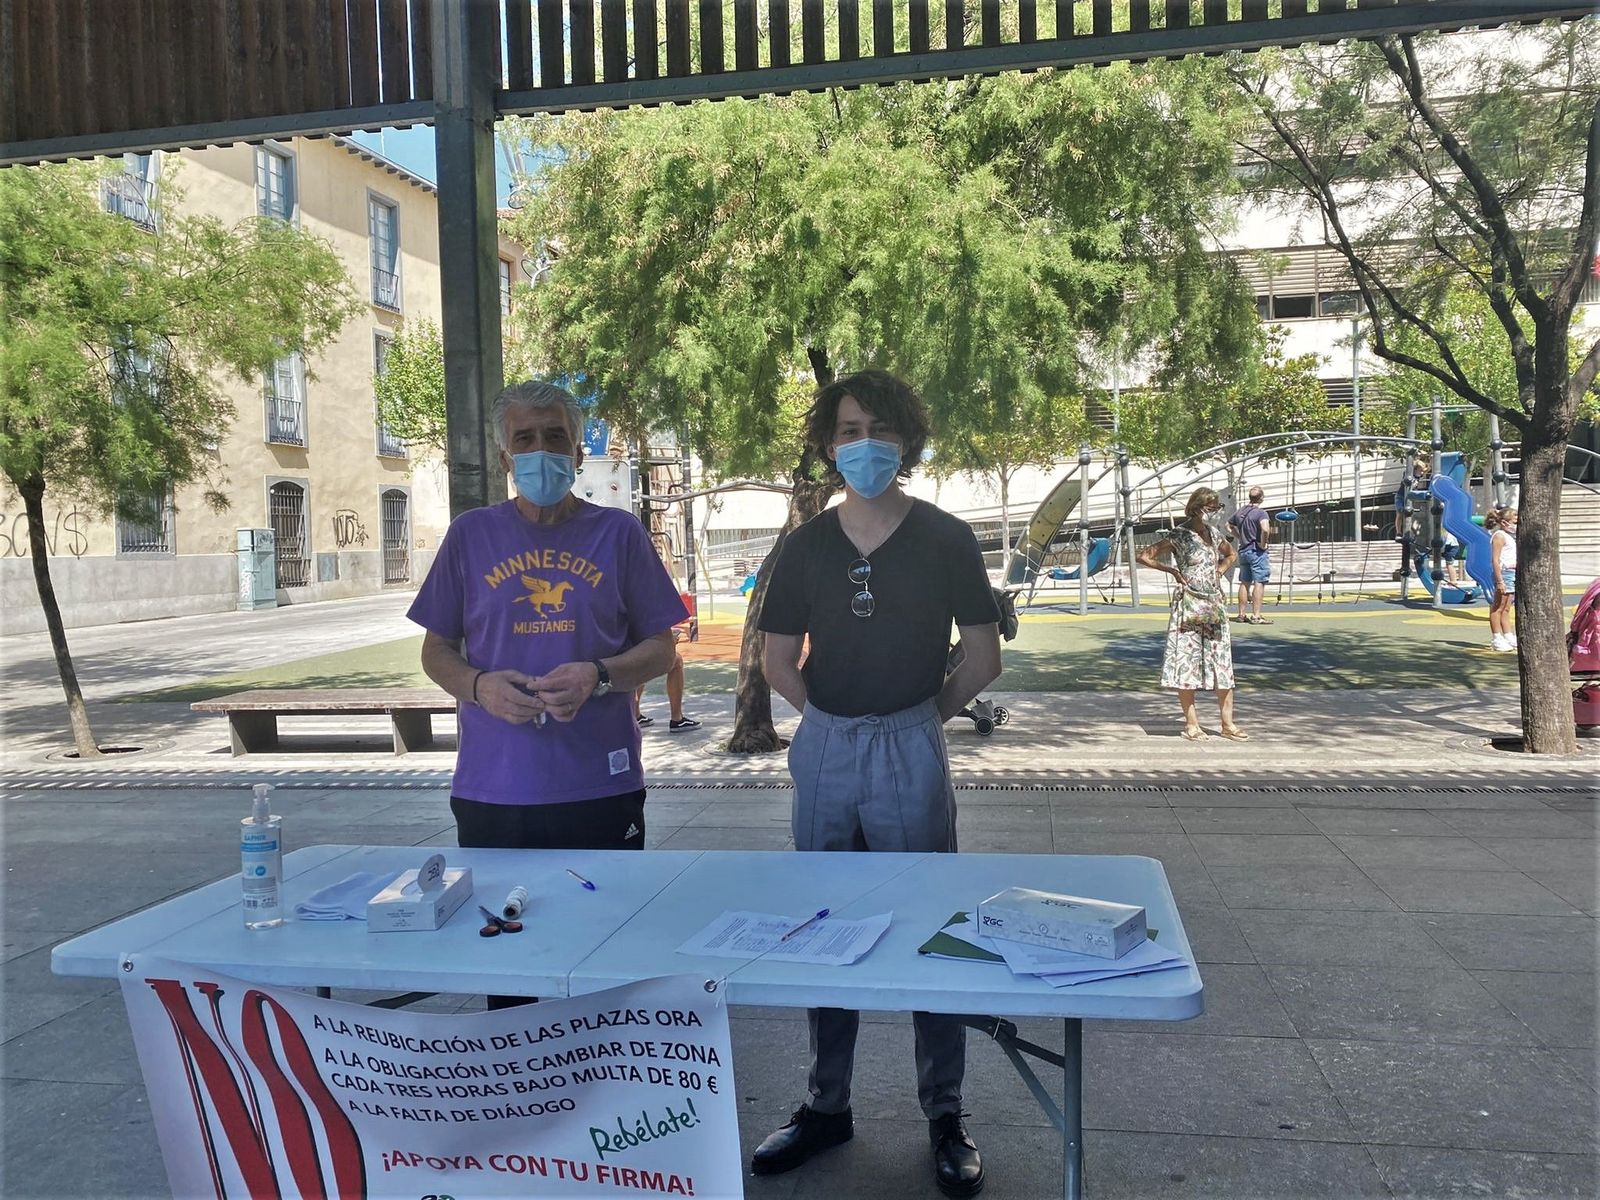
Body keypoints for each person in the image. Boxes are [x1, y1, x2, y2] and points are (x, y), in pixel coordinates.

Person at [753, 369, 1002, 1198]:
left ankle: (945, 1114)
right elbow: (777, 660)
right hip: (828, 746)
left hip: (909, 741)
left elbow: (983, 656)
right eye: (849, 430)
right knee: (825, 926)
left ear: (907, 441)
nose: (865, 445)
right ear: (830, 444)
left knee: (929, 927)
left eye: (880, 429)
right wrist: (832, 723)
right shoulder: (806, 546)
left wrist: (919, 720)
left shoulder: (945, 538)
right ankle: (827, 1105)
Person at [407, 381, 687, 1006]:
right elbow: (435, 651)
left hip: (600, 786)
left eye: (555, 437)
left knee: (605, 962)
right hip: (495, 790)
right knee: (510, 971)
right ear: (505, 455)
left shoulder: (619, 534)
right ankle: (518, 1072)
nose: (541, 452)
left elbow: (662, 647)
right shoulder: (470, 536)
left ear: (578, 452)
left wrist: (600, 674)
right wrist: (478, 686)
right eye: (525, 439)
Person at [1138, 487, 1246, 741]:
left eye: (1217, 507)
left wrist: (1220, 569)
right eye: (1211, 508)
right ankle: (1192, 724)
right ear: (1197, 508)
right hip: (1188, 602)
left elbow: (1231, 553)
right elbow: (1145, 556)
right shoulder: (1180, 534)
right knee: (1187, 659)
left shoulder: (1213, 532)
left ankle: (1227, 723)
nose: (1215, 512)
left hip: (1213, 602)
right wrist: (1173, 571)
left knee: (1221, 661)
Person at [634, 532, 700, 731]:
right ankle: (676, 718)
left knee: (643, 661)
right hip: (628, 650)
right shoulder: (643, 576)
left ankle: (635, 713)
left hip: (628, 645)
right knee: (674, 660)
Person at [1228, 486, 1273, 625]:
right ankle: (1256, 615)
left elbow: (1227, 526)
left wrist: (1239, 536)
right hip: (1256, 551)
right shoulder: (1261, 513)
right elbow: (1265, 529)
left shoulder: (1240, 511)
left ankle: (1241, 614)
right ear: (1262, 498)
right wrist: (1263, 544)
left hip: (1243, 550)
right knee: (1259, 582)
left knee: (1244, 582)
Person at [1487, 506, 1519, 653]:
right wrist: (1499, 580)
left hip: (1512, 572)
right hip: (1504, 573)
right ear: (1505, 523)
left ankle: (1508, 635)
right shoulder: (1499, 536)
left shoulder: (1510, 536)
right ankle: (1497, 638)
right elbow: (1495, 560)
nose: (1516, 525)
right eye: (1514, 522)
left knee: (1506, 607)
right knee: (1498, 607)